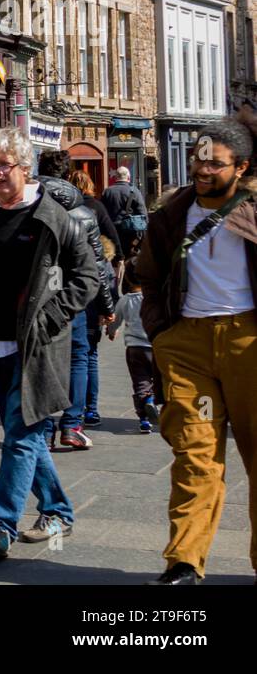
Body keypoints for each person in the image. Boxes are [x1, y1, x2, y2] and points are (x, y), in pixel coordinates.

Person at [0, 126, 100, 561]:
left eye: (3, 166)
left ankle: (0, 523)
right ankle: (57, 510)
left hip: (38, 348)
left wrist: (50, 317)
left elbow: (88, 278)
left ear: (25, 167)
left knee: (23, 435)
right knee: (19, 431)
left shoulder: (53, 218)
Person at [136, 118, 257, 585]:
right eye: (197, 157)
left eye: (214, 161)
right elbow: (147, 274)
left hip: (249, 342)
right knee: (194, 453)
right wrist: (161, 332)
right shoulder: (171, 212)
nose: (202, 167)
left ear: (241, 166)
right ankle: (184, 560)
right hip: (187, 346)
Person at [36, 152, 115, 450]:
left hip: (38, 297)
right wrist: (107, 307)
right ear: (67, 174)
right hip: (74, 298)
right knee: (78, 357)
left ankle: (44, 429)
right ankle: (71, 426)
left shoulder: (26, 205)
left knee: (41, 359)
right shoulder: (83, 213)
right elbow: (96, 267)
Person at [71, 169, 120, 429]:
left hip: (66, 296)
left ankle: (70, 414)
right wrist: (109, 306)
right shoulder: (95, 209)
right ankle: (90, 409)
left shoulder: (57, 210)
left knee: (69, 357)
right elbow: (110, 244)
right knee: (88, 354)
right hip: (90, 293)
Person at [106, 264, 158, 434]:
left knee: (140, 382)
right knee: (160, 378)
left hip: (134, 349)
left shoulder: (125, 299)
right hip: (155, 346)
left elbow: (115, 319)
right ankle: (153, 398)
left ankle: (143, 419)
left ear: (126, 279)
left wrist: (111, 331)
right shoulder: (153, 297)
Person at [101, 165, 150, 259]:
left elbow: (102, 212)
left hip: (111, 232)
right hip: (130, 233)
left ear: (116, 177)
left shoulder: (107, 191)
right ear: (128, 177)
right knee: (129, 258)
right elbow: (143, 214)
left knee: (114, 259)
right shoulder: (134, 191)